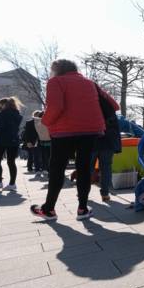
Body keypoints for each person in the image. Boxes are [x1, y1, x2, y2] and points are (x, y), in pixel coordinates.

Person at [30, 59, 119, 221]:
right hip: (91, 130)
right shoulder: (89, 83)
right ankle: (83, 209)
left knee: (57, 168)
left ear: (56, 70)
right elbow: (113, 105)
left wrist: (45, 122)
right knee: (84, 168)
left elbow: (56, 107)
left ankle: (49, 209)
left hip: (64, 131)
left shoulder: (55, 82)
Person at [0, 97, 23, 191]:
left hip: (2, 140)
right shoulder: (17, 114)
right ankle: (12, 184)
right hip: (14, 140)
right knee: (11, 162)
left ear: (4, 104)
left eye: (0, 105)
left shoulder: (2, 114)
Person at [90, 98, 121, 202]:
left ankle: (83, 192)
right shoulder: (110, 110)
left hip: (91, 142)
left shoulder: (89, 107)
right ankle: (105, 194)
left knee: (87, 168)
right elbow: (116, 129)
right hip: (107, 144)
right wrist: (117, 146)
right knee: (106, 169)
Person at [33, 111, 51, 178]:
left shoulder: (37, 123)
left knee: (44, 157)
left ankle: (45, 169)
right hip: (51, 141)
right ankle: (49, 170)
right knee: (51, 157)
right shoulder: (47, 122)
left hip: (42, 142)